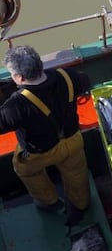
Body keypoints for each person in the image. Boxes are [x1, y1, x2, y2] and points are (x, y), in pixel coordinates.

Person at [0, 45, 91, 226]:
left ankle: (48, 202)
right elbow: (85, 82)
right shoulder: (68, 76)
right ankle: (81, 203)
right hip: (72, 141)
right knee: (76, 173)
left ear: (19, 77)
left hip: (38, 154)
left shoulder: (16, 106)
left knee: (26, 170)